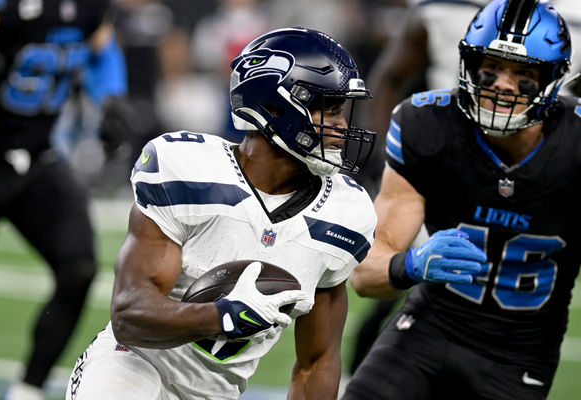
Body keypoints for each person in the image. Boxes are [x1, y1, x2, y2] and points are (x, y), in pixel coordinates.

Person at [65, 27, 377, 400]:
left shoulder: (344, 214)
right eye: (325, 108)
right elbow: (129, 316)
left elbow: (317, 361)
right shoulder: (187, 169)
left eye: (340, 110)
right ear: (273, 107)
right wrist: (224, 315)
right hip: (132, 365)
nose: (340, 125)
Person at [343, 0, 579, 399]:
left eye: (524, 73)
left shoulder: (574, 144)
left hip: (519, 355)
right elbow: (365, 275)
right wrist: (410, 265)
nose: (504, 84)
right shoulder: (427, 125)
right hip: (428, 329)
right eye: (493, 66)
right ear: (468, 64)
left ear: (551, 80)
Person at [0, 1, 127, 399]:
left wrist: (111, 98)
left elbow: (102, 46)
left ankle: (28, 388)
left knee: (78, 268)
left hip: (39, 156)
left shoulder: (88, 8)